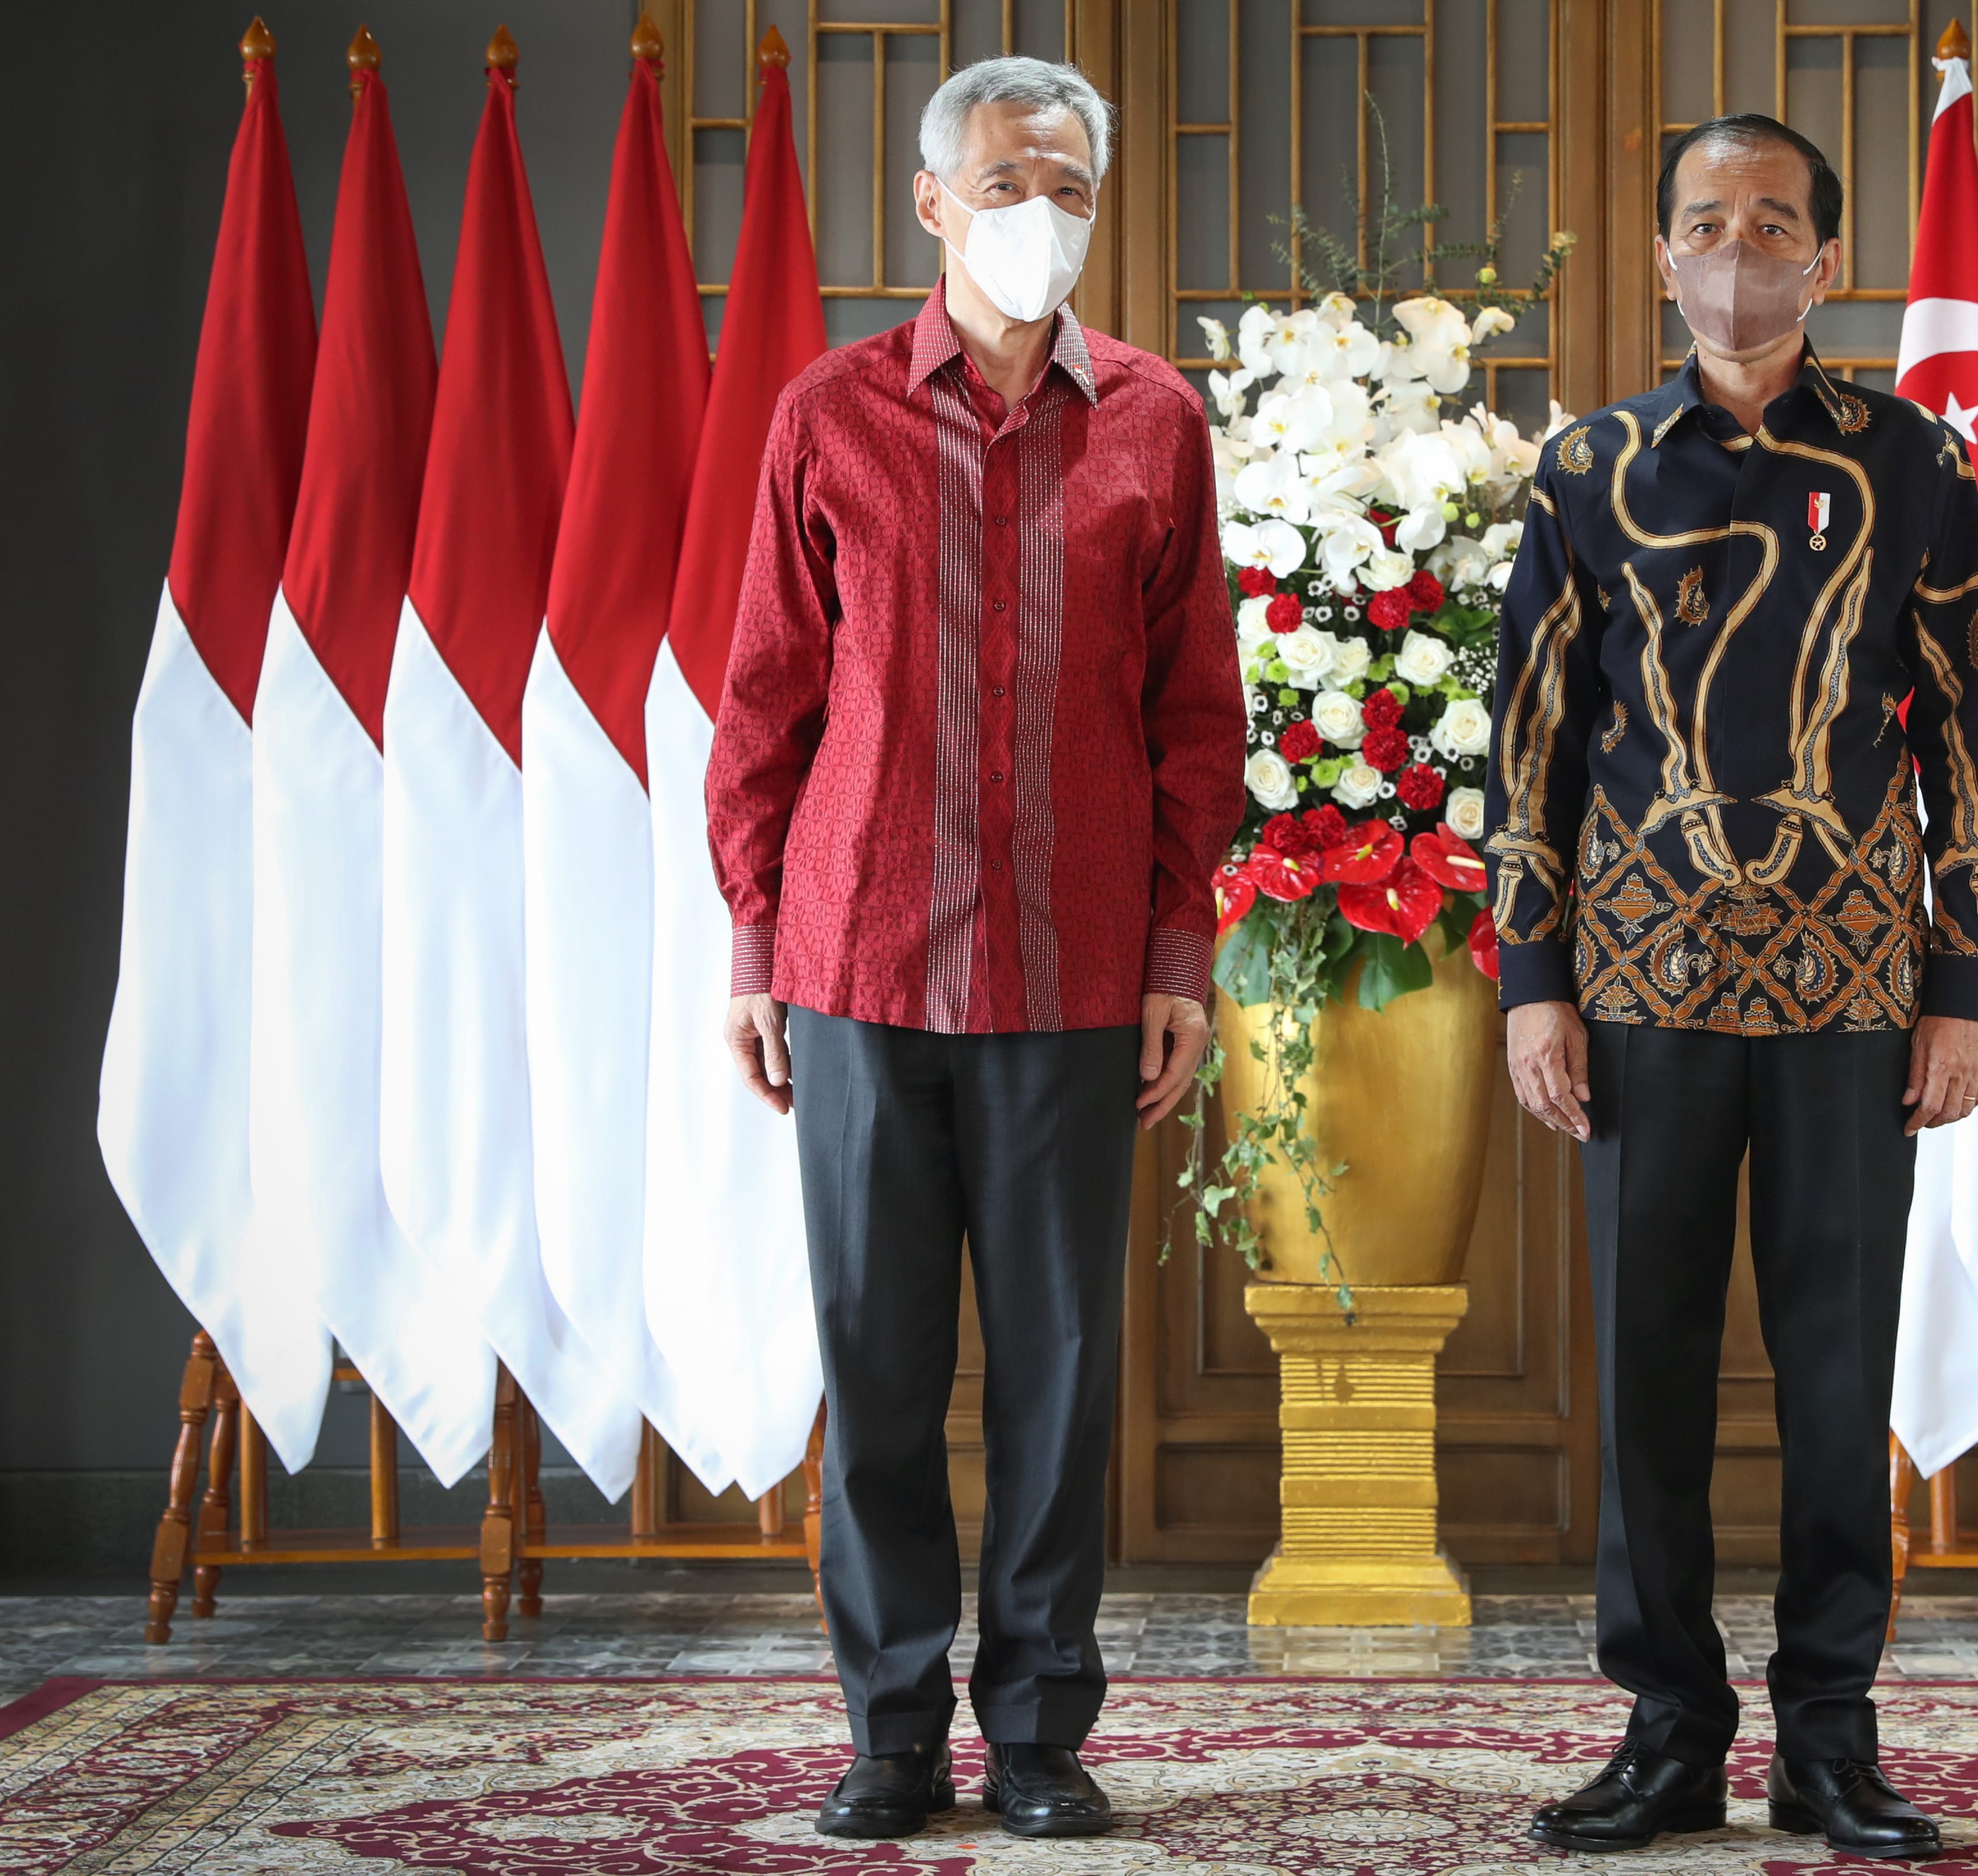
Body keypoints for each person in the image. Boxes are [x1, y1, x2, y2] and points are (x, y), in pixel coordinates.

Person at [705, 56, 1244, 1844]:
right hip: (860, 964)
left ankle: (1036, 1728)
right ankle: (886, 1725)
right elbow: (768, 689)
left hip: (1082, 971)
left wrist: (1183, 947)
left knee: (1061, 1366)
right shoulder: (828, 414)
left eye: (1072, 186)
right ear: (932, 206)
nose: (1044, 214)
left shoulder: (1157, 420)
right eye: (1009, 181)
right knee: (875, 1363)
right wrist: (752, 939)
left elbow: (1195, 716)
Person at [1483, 113, 1978, 1860]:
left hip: (1860, 989)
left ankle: (1832, 1731)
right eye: (1706, 222)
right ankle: (1666, 1723)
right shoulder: (1588, 471)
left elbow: (1970, 740)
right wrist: (1534, 975)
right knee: (1646, 1360)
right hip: (1640, 980)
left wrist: (1968, 978)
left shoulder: (1915, 467)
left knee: (1837, 1364)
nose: (1738, 251)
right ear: (1658, 258)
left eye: (1773, 222)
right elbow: (1534, 744)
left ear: (1828, 261)